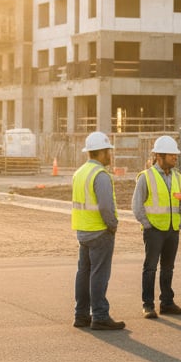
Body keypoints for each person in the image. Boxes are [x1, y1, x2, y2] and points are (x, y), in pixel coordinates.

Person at [131, 135, 181, 319]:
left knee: (168, 267)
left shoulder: (177, 176)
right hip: (154, 230)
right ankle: (148, 305)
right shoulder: (146, 177)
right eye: (172, 155)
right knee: (150, 268)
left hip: (172, 229)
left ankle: (167, 303)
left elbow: (180, 202)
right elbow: (136, 205)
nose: (175, 158)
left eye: (176, 155)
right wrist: (147, 225)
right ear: (159, 156)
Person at [72, 131, 124, 331]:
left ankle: (81, 315)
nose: (110, 155)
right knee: (99, 274)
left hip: (83, 230)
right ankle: (100, 315)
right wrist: (112, 225)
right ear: (101, 152)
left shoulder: (80, 172)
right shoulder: (100, 175)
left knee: (83, 273)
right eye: (108, 151)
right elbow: (105, 207)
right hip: (100, 232)